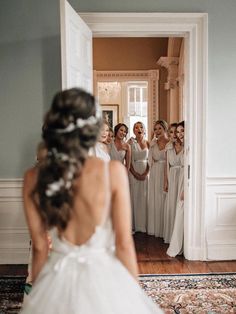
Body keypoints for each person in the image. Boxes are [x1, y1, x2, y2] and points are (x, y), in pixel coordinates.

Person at [21, 88, 162, 314]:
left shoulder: (33, 177)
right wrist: (133, 294)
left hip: (57, 278)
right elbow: (124, 243)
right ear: (92, 128)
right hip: (104, 276)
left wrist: (39, 298)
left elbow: (39, 248)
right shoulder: (112, 172)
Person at [163, 121, 184, 244]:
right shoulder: (168, 147)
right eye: (173, 132)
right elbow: (166, 166)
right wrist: (165, 182)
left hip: (182, 178)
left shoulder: (186, 146)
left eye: (177, 131)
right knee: (171, 206)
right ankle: (171, 236)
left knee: (179, 207)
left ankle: (180, 238)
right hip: (172, 177)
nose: (175, 134)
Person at [147, 120, 169, 237]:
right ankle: (155, 228)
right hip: (155, 172)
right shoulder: (153, 144)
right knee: (155, 198)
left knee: (163, 199)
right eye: (155, 129)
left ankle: (163, 229)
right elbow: (149, 160)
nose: (157, 131)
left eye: (159, 128)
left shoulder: (169, 143)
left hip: (165, 173)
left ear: (165, 128)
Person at [128, 122, 149, 233]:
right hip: (134, 172)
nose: (139, 129)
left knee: (145, 198)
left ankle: (145, 225)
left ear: (144, 129)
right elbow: (128, 160)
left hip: (146, 173)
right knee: (134, 197)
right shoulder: (131, 143)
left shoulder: (148, 143)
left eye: (141, 127)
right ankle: (135, 225)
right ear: (134, 131)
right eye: (136, 127)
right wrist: (135, 174)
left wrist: (146, 173)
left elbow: (151, 160)